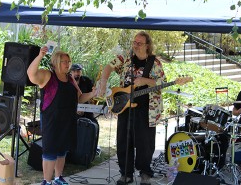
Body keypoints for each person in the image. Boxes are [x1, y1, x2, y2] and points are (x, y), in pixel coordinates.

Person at [98, 31, 166, 185]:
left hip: (147, 108)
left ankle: (144, 173)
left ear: (147, 45)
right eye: (134, 42)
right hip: (124, 105)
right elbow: (108, 67)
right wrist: (103, 81)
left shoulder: (155, 63)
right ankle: (126, 174)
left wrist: (145, 80)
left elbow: (161, 83)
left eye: (139, 43)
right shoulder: (126, 58)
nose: (135, 45)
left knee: (145, 143)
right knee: (124, 140)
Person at [27, 47, 96, 185]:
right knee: (50, 152)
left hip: (68, 120)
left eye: (68, 61)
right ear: (56, 62)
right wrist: (40, 55)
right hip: (52, 121)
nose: (67, 64)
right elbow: (31, 74)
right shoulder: (48, 75)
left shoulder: (70, 78)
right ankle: (46, 181)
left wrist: (94, 93)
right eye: (64, 61)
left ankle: (58, 178)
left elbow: (80, 98)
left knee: (62, 151)